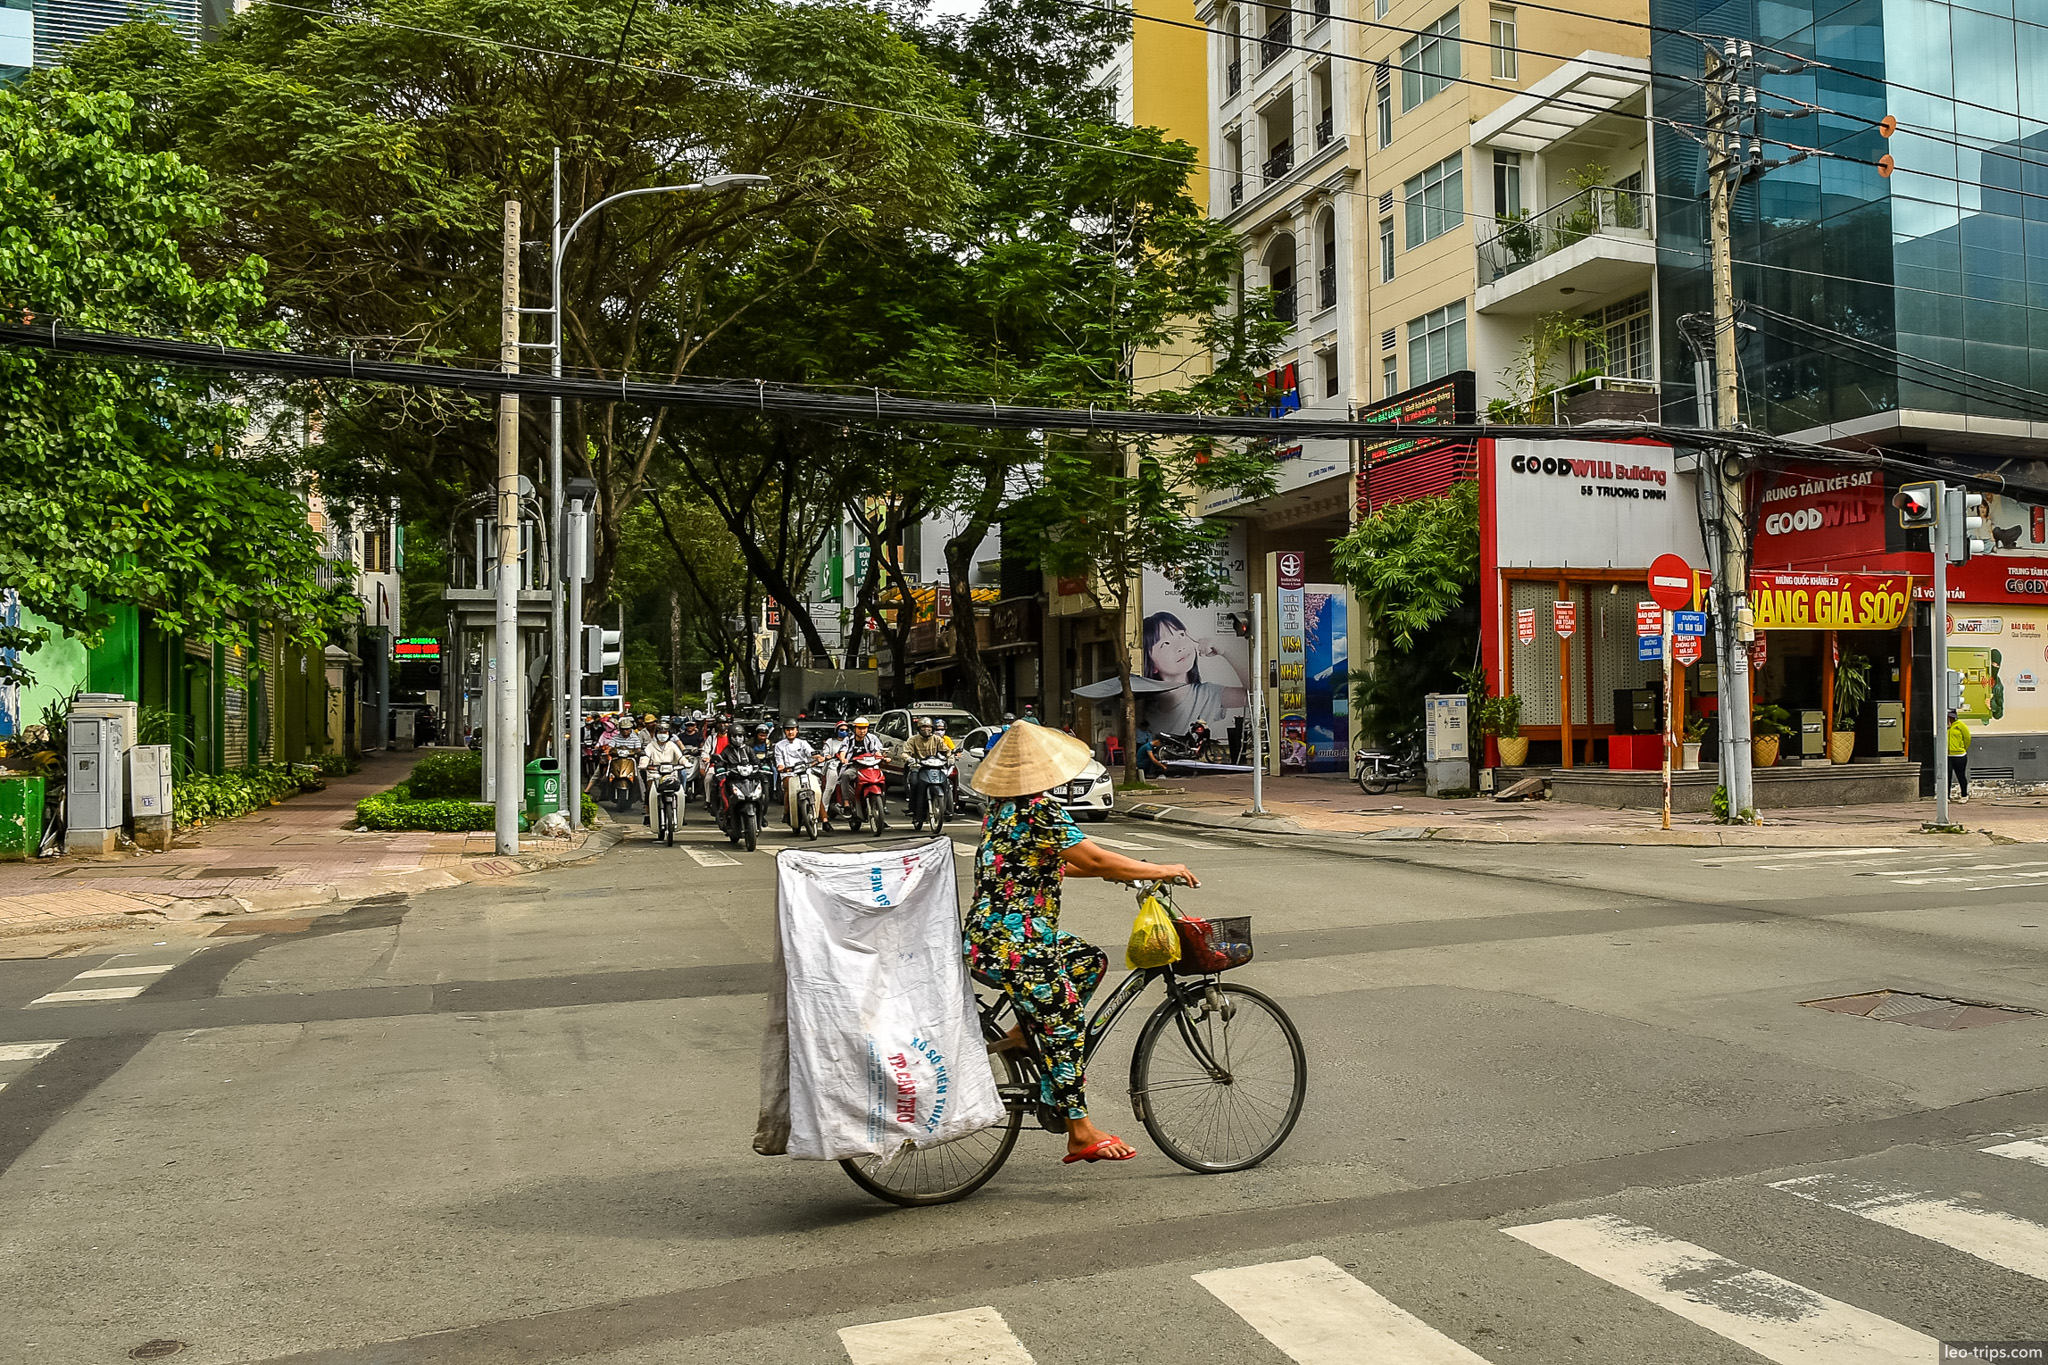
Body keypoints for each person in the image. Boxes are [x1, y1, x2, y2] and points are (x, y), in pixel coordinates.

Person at [964, 723, 1199, 1165]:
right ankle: (1079, 1130)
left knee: (1088, 960)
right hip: (1015, 943)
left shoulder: (1003, 808)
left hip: (993, 937)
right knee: (1067, 1019)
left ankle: (1022, 1034)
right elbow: (1089, 855)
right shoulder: (1038, 810)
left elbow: (1056, 865)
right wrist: (1158, 868)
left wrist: (1121, 871)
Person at [1141, 611, 1247, 738]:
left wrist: (1225, 651)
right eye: (1166, 644)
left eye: (1181, 635)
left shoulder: (1208, 695)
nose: (1180, 647)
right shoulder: (1142, 707)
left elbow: (1254, 695)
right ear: (1152, 666)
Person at [638, 722, 693, 827]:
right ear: (656, 733)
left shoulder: (672, 745)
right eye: (660, 732)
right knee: (649, 790)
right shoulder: (650, 746)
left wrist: (685, 763)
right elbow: (645, 756)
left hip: (671, 774)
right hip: (654, 774)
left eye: (665, 732)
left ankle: (679, 814)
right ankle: (648, 814)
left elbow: (680, 757)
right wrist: (644, 763)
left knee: (679, 791)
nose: (663, 734)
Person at [903, 716, 952, 827]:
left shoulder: (937, 739)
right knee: (915, 783)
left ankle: (948, 808)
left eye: (928, 727)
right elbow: (905, 753)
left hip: (934, 766)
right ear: (919, 728)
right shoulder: (913, 740)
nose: (926, 729)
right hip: (918, 767)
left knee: (947, 783)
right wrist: (909, 759)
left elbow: (947, 751)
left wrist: (950, 757)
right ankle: (913, 808)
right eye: (923, 727)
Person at [772, 719, 816, 830]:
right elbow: (779, 761)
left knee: (815, 790)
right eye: (788, 730)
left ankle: (824, 819)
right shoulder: (779, 746)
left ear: (797, 731)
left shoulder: (803, 743)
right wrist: (781, 767)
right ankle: (787, 813)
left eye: (792, 729)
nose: (790, 732)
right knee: (789, 789)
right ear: (784, 731)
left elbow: (811, 753)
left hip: (804, 772)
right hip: (789, 774)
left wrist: (819, 757)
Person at [816, 720, 852, 833]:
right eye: (842, 730)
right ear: (836, 731)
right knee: (829, 789)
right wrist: (829, 757)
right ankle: (823, 813)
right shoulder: (830, 742)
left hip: (848, 766)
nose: (844, 732)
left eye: (846, 730)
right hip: (833, 765)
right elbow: (825, 755)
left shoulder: (850, 741)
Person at [1948, 708, 1973, 803]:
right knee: (1947, 776)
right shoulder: (1945, 727)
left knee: (1960, 775)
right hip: (1948, 754)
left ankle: (1964, 795)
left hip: (1959, 755)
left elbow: (1967, 738)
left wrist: (1962, 748)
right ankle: (1947, 796)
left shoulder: (1960, 726)